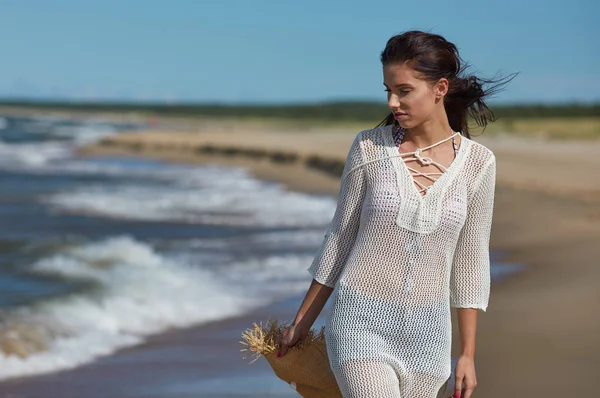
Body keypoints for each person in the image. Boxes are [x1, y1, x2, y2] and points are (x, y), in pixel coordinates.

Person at [276, 30, 513, 398]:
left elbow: (471, 260)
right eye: (388, 90)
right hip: (359, 324)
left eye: (404, 90)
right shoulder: (369, 148)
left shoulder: (479, 164)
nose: (392, 101)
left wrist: (467, 355)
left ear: (440, 88)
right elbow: (340, 238)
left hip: (429, 339)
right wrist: (301, 324)